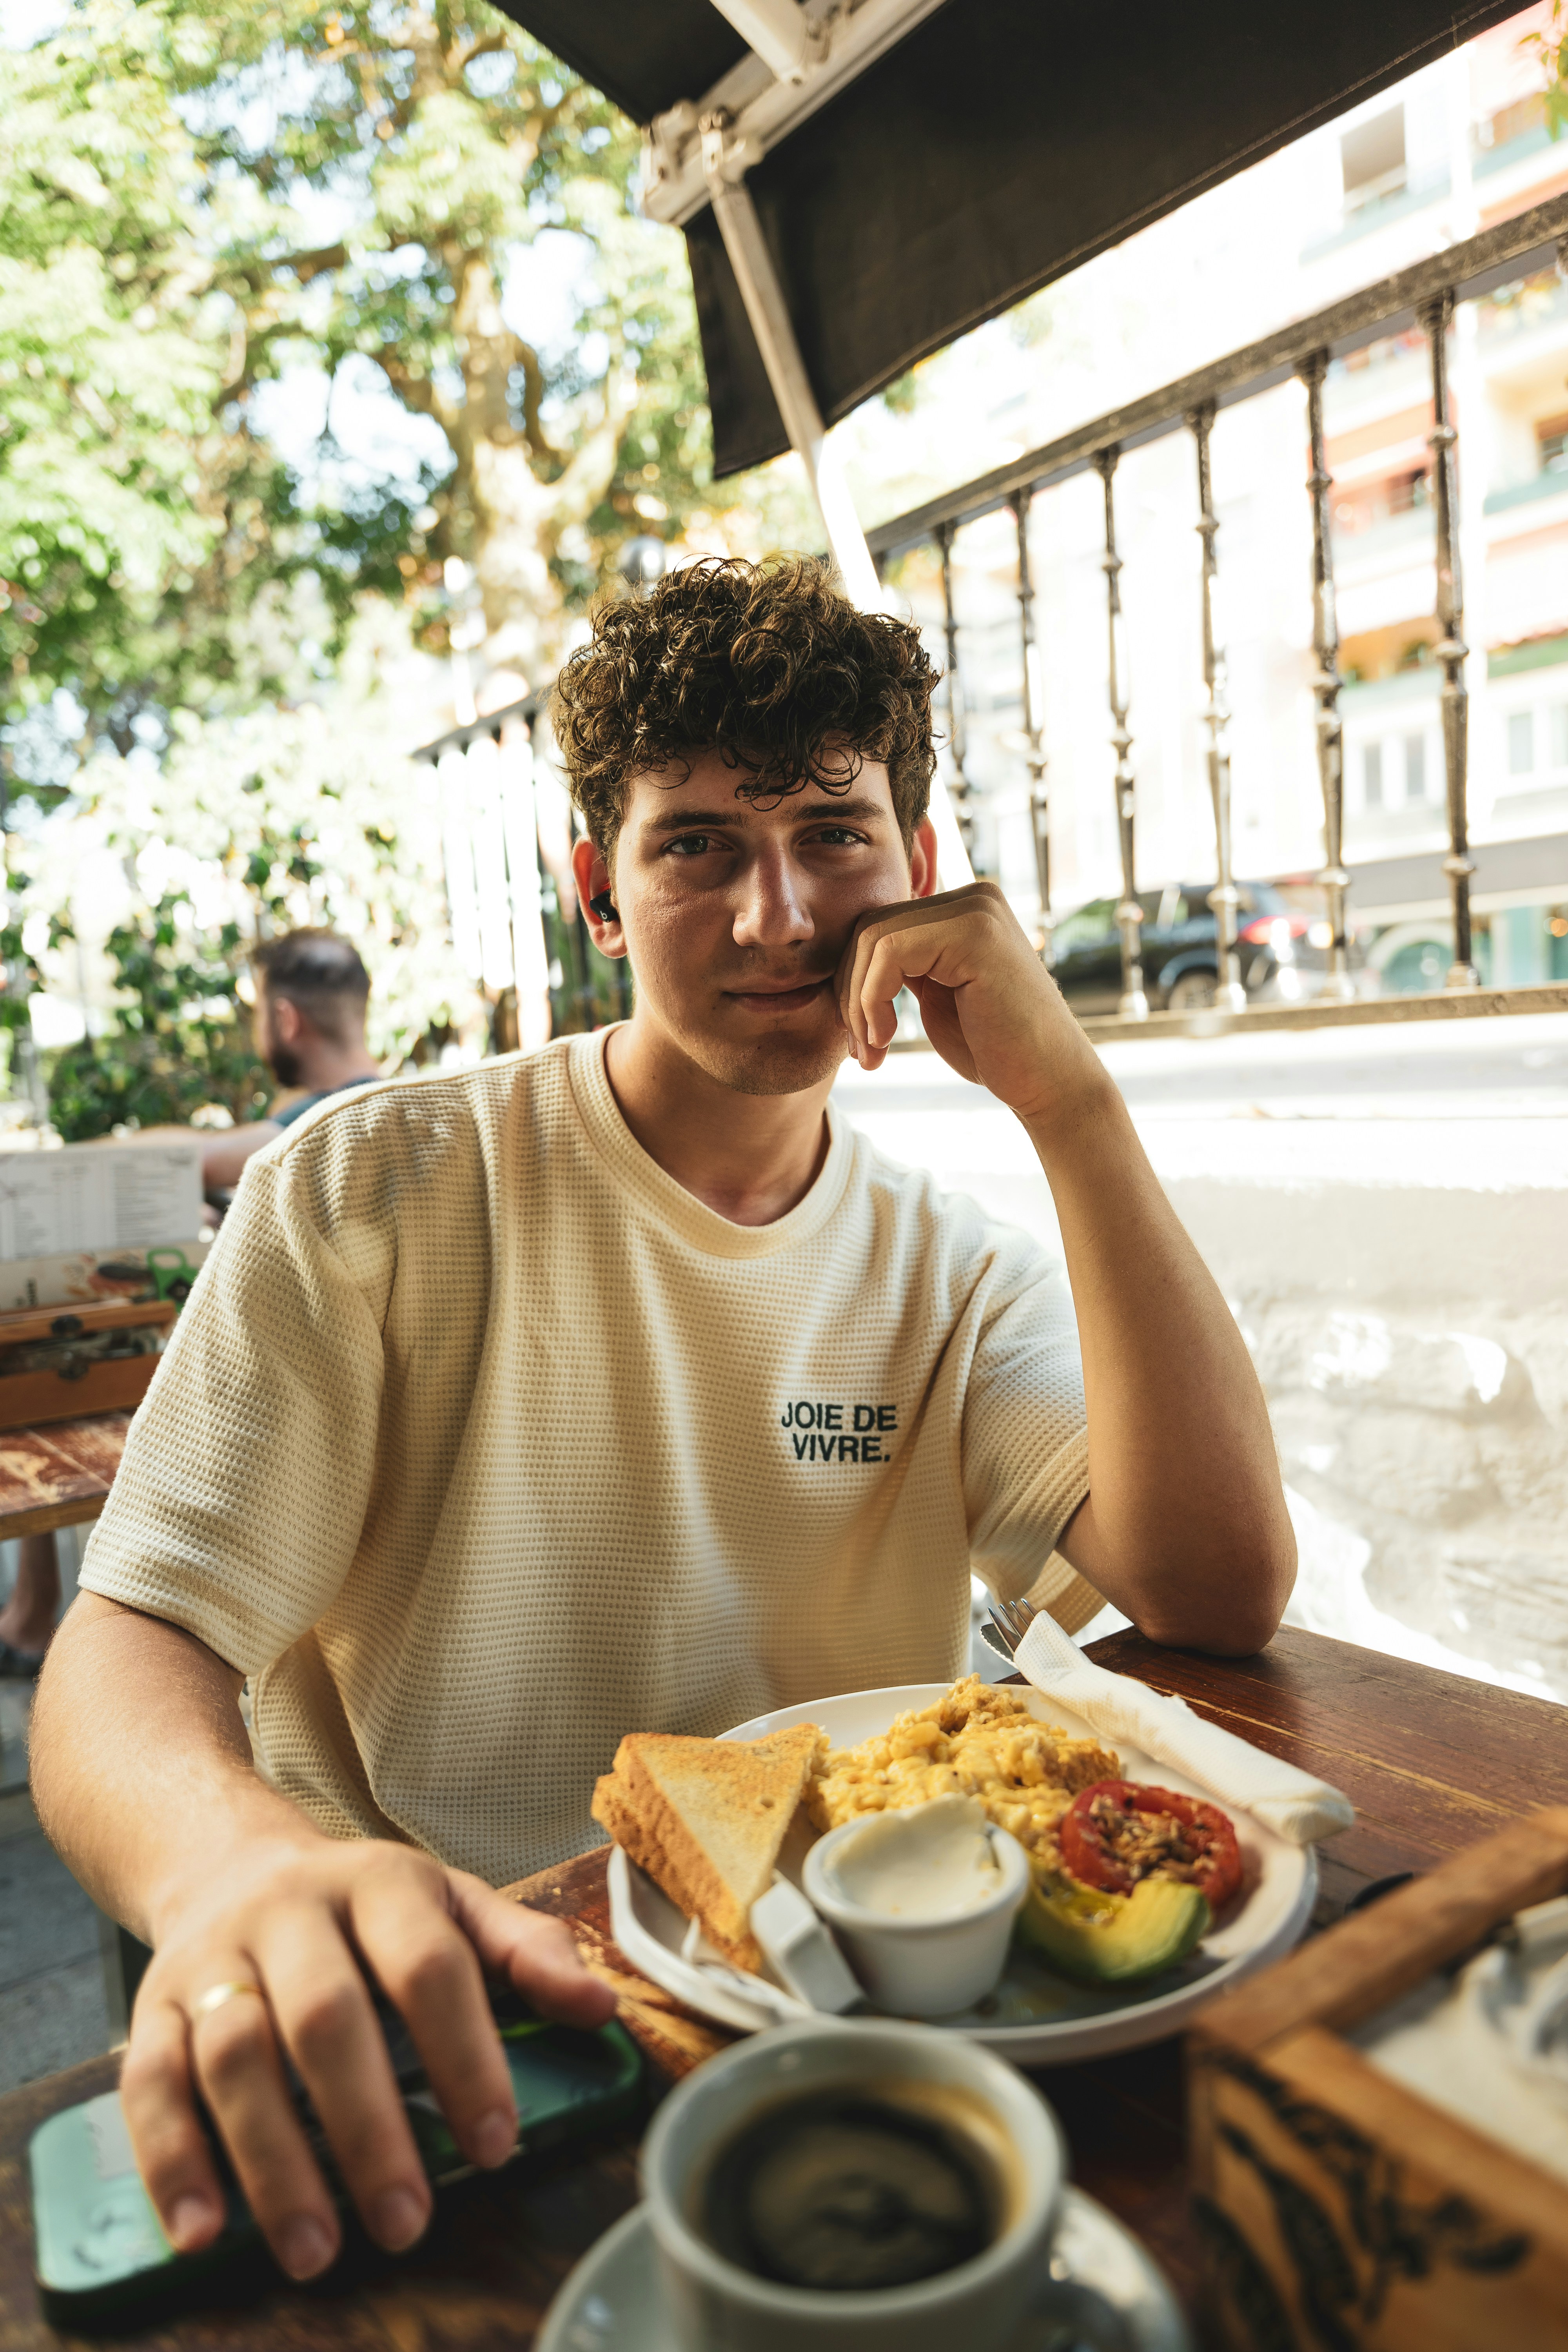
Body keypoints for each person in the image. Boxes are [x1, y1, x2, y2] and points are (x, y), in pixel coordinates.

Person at [31, 557, 1295, 2286]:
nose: (776, 916)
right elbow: (130, 1645)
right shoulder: (375, 1185)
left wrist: (1067, 1096)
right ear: (600, 895)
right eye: (697, 844)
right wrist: (227, 1870)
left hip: (856, 2008)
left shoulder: (955, 1269)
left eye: (832, 834)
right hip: (467, 2009)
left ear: (921, 870)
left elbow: (1218, 1590)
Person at [200, 929, 383, 1191]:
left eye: (259, 1013)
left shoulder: (321, 1118)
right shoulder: (400, 1107)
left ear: (287, 1020)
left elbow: (201, 1163)